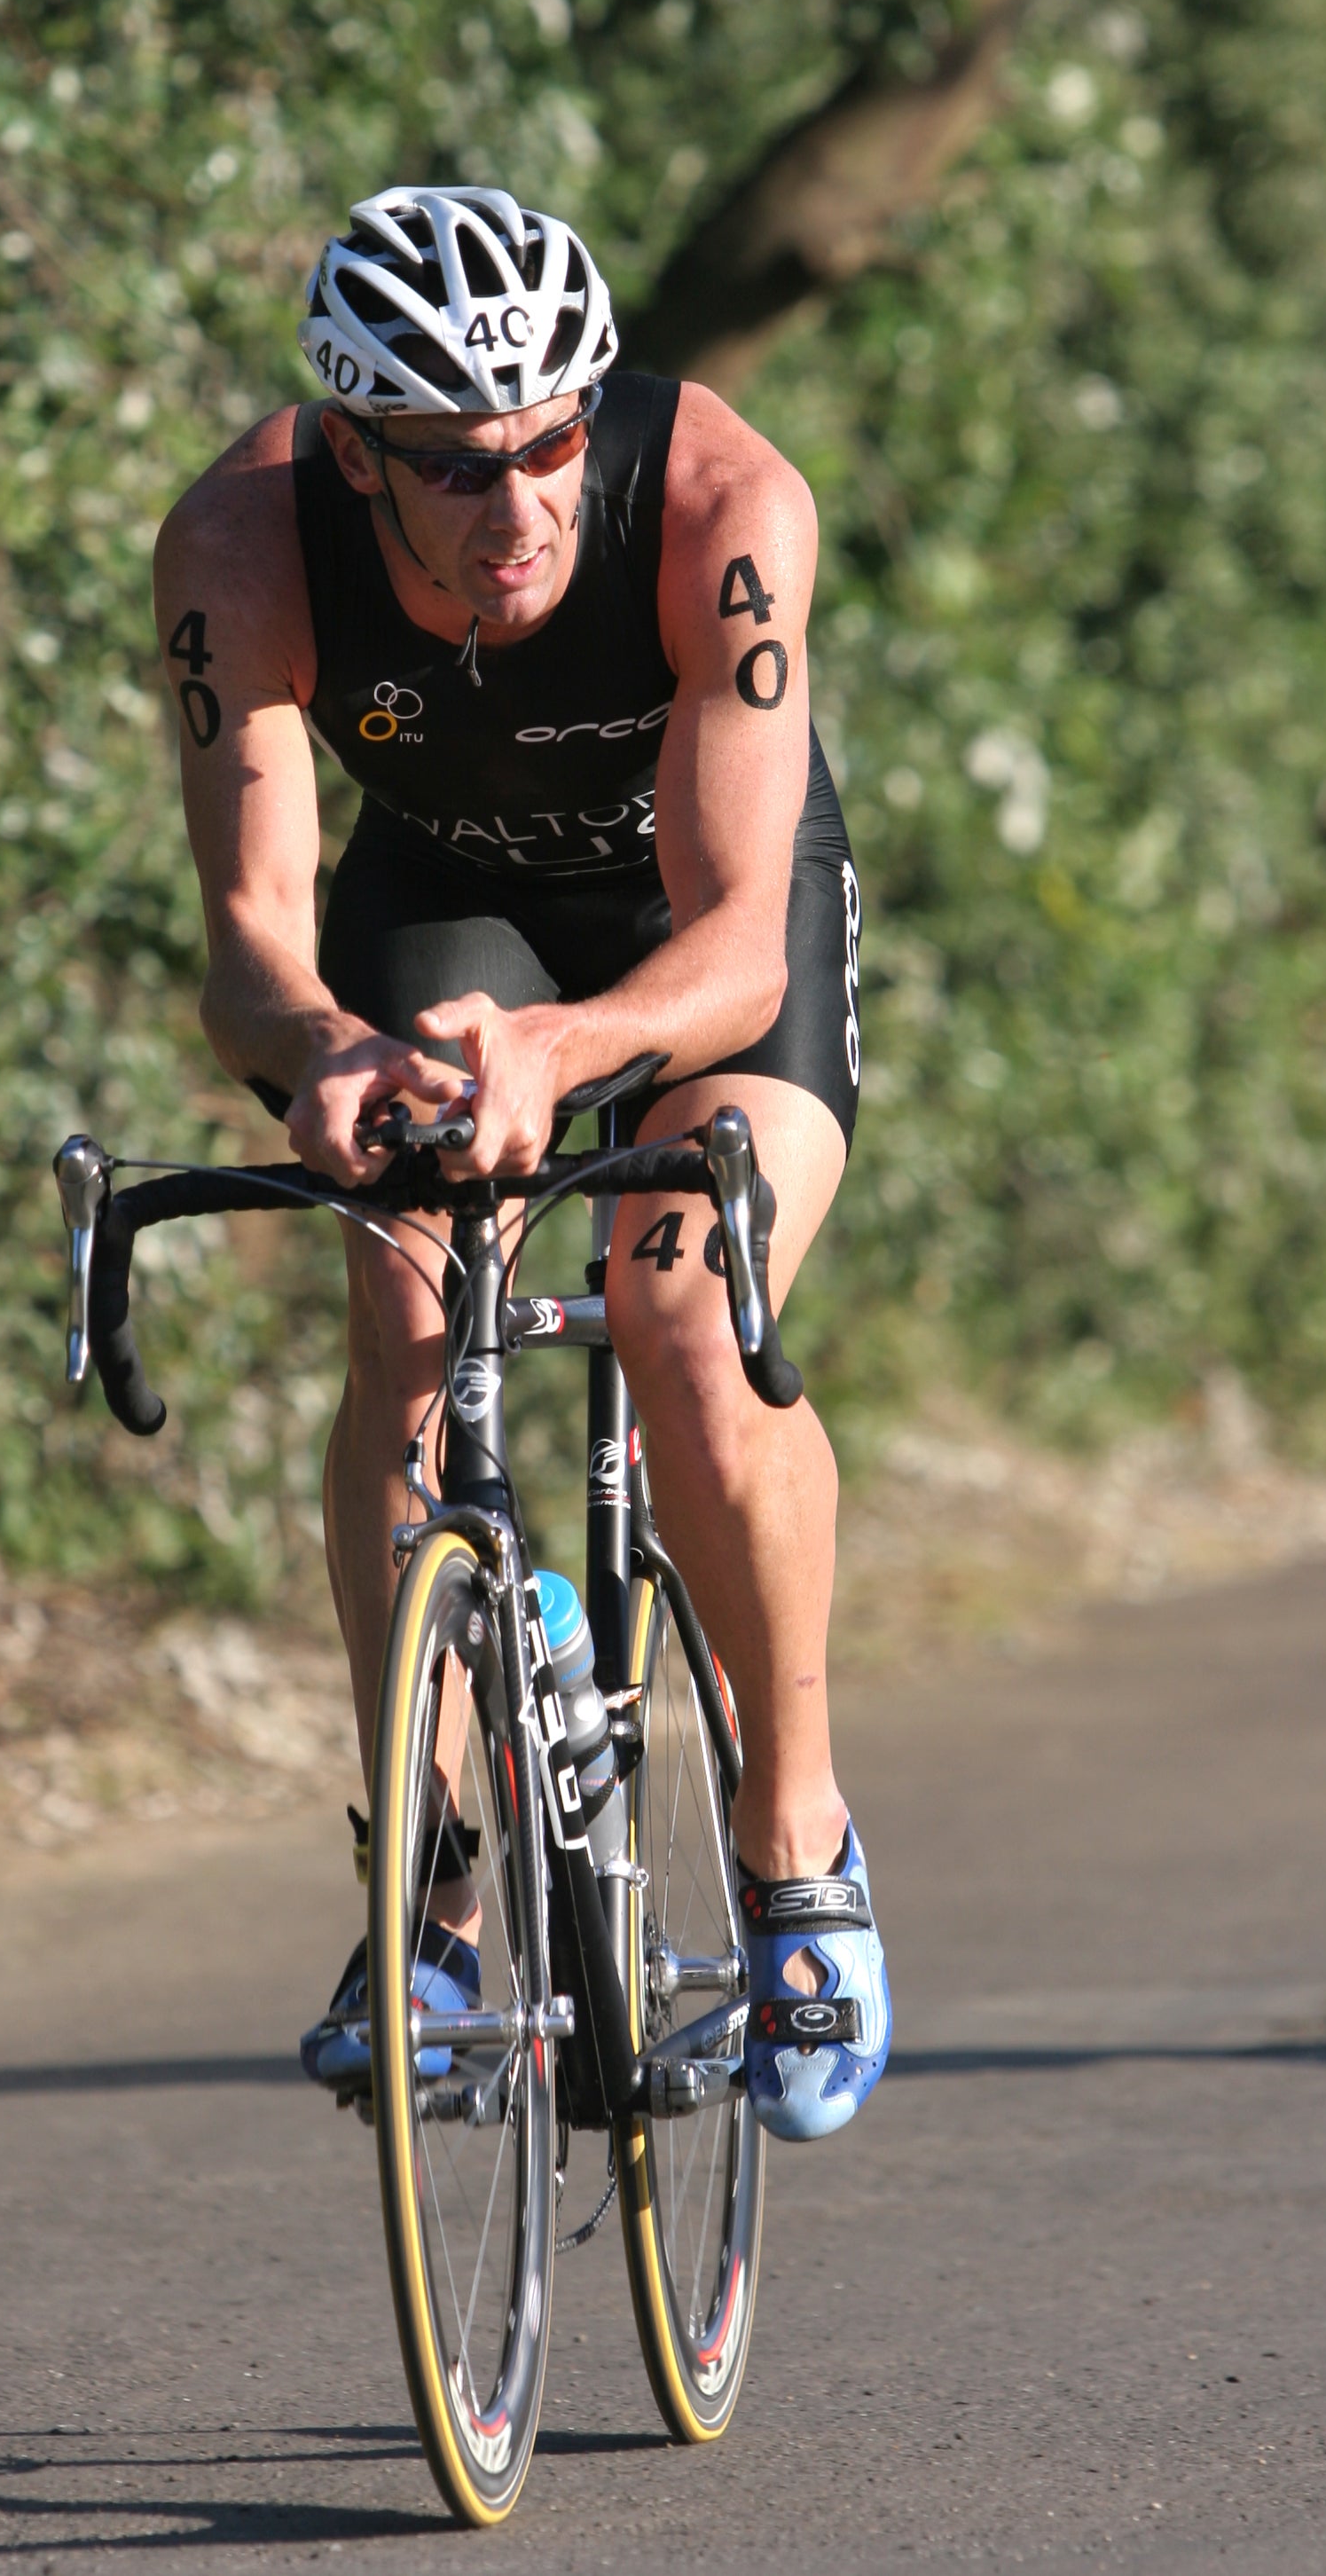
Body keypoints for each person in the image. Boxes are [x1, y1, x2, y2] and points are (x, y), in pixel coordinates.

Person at [153, 185, 888, 2140]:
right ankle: (433, 1888)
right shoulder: (240, 547)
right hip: (447, 897)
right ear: (356, 455)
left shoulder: (722, 504)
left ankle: (795, 1834)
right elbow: (251, 947)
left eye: (551, 440)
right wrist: (320, 1051)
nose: (519, 503)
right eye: (457, 466)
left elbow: (734, 953)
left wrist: (558, 1053)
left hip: (699, 914)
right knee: (402, 1316)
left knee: (681, 1297)